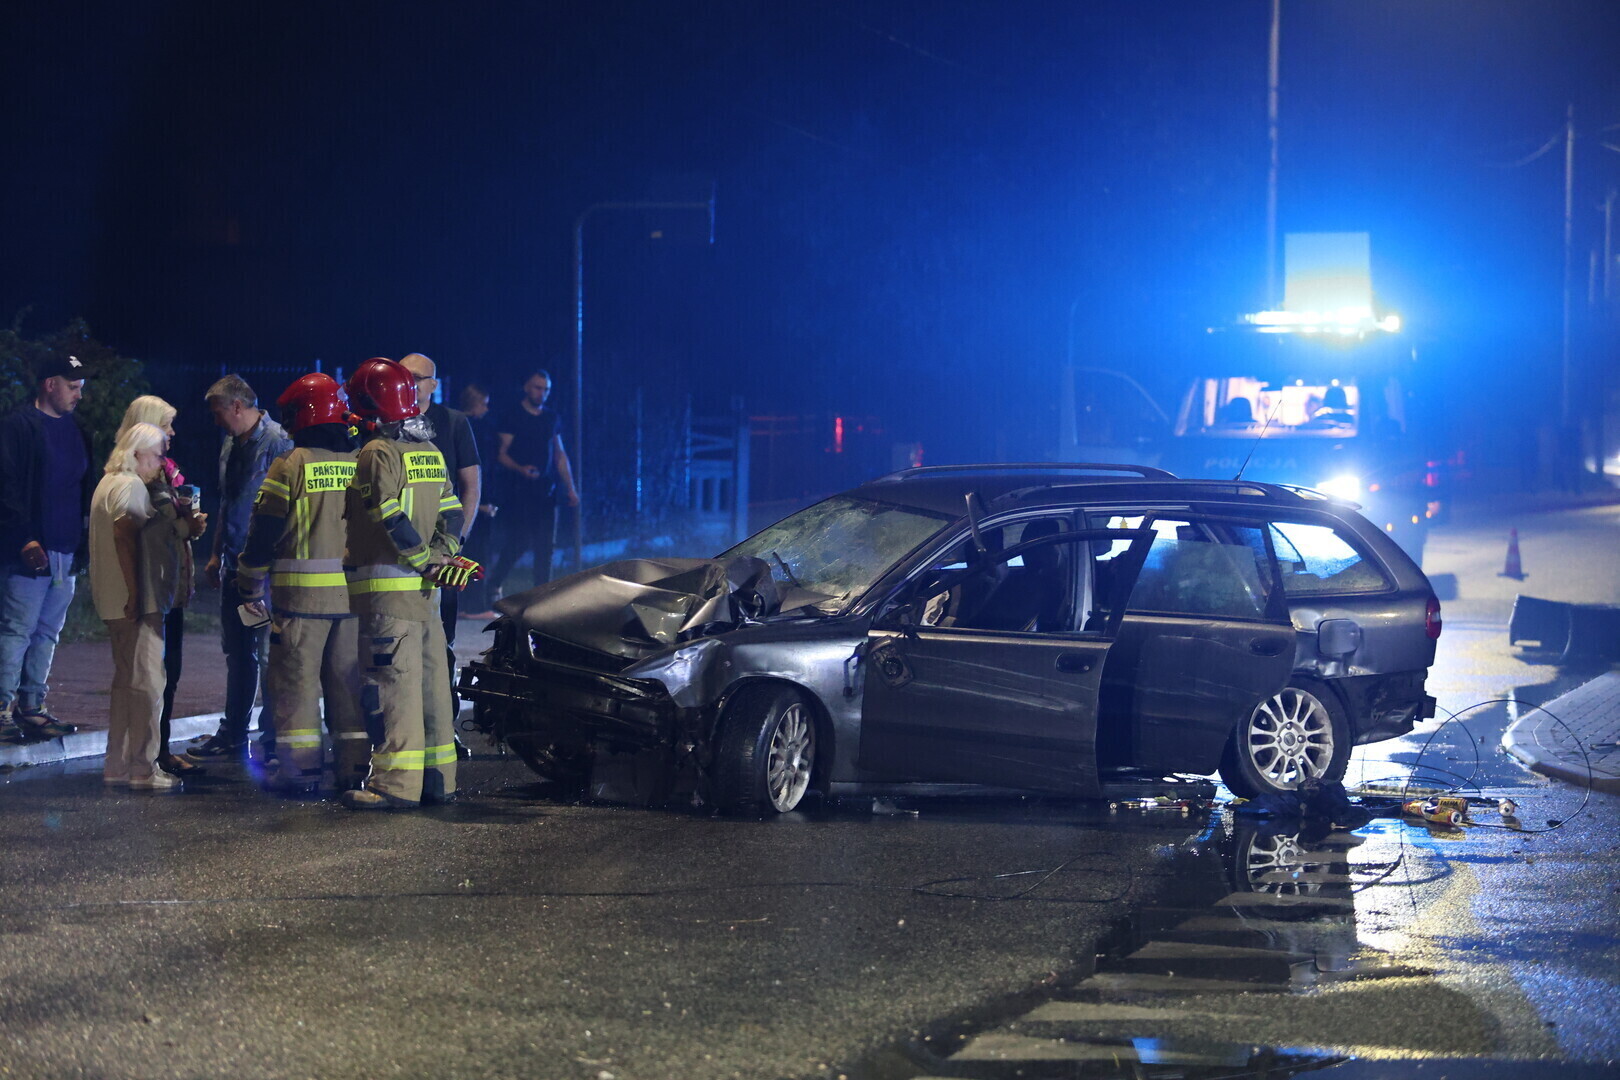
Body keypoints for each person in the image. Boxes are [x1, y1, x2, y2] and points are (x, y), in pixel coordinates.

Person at [340, 358, 476, 810]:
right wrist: (440, 558)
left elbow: (388, 516)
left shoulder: (379, 453)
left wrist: (421, 561)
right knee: (433, 686)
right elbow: (453, 512)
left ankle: (394, 786)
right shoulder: (428, 451)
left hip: (390, 594)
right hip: (426, 596)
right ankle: (439, 780)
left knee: (391, 689)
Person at [236, 373, 366, 794]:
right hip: (353, 601)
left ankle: (301, 772)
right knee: (349, 688)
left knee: (297, 687)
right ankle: (354, 770)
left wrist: (250, 583)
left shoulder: (290, 465)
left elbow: (264, 530)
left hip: (301, 604)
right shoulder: (361, 461)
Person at [91, 422, 205, 792]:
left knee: (126, 683)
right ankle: (143, 768)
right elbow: (126, 534)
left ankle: (117, 764)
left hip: (113, 599)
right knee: (148, 684)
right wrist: (137, 593)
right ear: (138, 452)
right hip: (135, 601)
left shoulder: (107, 483)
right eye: (156, 455)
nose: (160, 463)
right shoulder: (130, 486)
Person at [192, 375, 293, 759]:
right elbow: (229, 502)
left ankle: (272, 734)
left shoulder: (279, 443)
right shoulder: (232, 444)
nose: (216, 420)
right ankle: (234, 730)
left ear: (237, 406)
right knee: (238, 650)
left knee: (267, 652)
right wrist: (218, 553)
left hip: (262, 574)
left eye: (219, 412)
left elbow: (283, 512)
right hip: (237, 568)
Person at [0, 353, 94, 742]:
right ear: (49, 384)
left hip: (65, 550)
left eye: (81, 388)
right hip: (30, 551)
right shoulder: (18, 426)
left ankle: (31, 706)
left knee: (47, 632)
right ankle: (3, 709)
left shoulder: (77, 429)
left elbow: (84, 487)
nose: (78, 395)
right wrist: (24, 537)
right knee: (17, 629)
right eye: (72, 386)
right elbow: (6, 486)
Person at [116, 396, 208, 777]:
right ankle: (151, 754)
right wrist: (189, 525)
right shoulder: (143, 476)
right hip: (155, 588)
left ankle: (161, 748)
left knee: (168, 672)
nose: (172, 433)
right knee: (155, 675)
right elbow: (155, 531)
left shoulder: (162, 473)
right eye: (167, 425)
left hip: (171, 586)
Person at [398, 353, 481, 720]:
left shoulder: (453, 423)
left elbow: (471, 486)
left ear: (434, 383)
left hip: (440, 552)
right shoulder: (385, 423)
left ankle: (446, 722)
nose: (410, 383)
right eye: (404, 376)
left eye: (418, 378)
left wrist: (456, 540)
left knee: (441, 642)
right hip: (396, 553)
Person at [487, 370, 578, 598]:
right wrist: (520, 469)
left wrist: (570, 487)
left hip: (546, 490)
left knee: (546, 545)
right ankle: (494, 583)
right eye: (538, 388)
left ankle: (542, 594)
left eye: (546, 389)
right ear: (527, 387)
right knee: (519, 541)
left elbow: (559, 454)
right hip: (519, 489)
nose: (542, 393)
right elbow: (501, 453)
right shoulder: (513, 416)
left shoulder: (551, 417)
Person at [458, 382, 500, 617]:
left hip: (473, 500)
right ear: (474, 404)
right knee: (477, 554)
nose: (486, 408)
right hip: (477, 502)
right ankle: (474, 606)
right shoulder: (475, 430)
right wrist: (482, 504)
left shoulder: (458, 426)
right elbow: (477, 469)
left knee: (466, 552)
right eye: (483, 404)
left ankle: (465, 604)